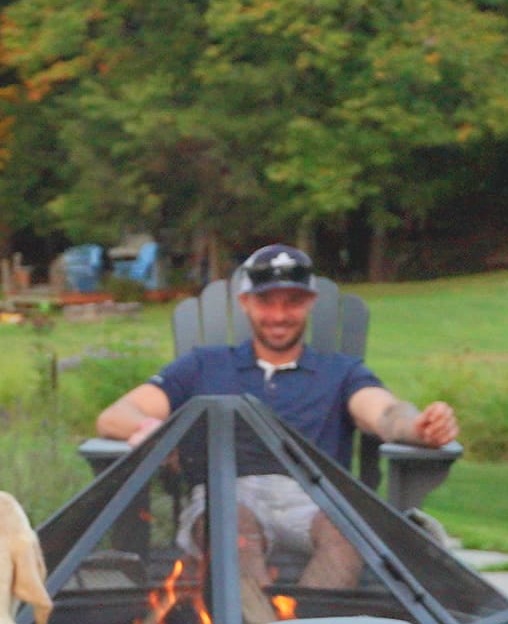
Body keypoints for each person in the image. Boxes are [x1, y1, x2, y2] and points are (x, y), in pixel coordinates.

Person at [90, 245, 460, 594]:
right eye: (267, 302)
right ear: (245, 303)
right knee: (231, 529)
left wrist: (418, 427)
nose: (279, 315)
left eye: (293, 302)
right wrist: (155, 432)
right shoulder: (204, 365)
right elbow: (115, 415)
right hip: (226, 493)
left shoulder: (341, 373)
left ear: (310, 303)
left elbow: (385, 413)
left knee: (348, 534)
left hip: (317, 495)